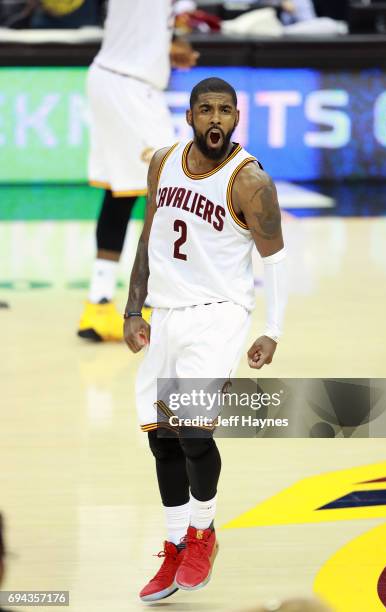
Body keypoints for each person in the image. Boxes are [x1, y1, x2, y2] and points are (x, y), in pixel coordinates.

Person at [124, 77, 288, 601]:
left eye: (225, 111)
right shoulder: (163, 163)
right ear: (190, 115)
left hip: (219, 316)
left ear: (237, 118)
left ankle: (203, 532)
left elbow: (276, 261)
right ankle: (174, 545)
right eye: (205, 110)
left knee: (194, 432)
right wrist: (132, 308)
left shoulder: (250, 181)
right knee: (161, 440)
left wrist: (272, 329)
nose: (215, 119)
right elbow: (149, 237)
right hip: (167, 315)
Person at [77, 0, 198, 342]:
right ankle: (144, 307)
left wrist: (171, 47)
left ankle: (99, 306)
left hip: (126, 82)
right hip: (126, 86)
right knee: (165, 191)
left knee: (125, 195)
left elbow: (176, 23)